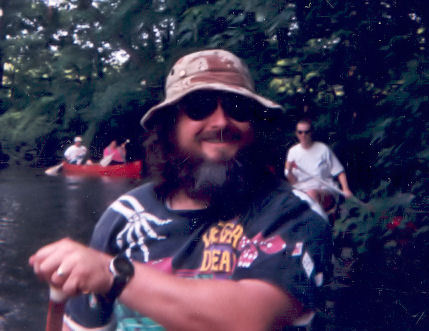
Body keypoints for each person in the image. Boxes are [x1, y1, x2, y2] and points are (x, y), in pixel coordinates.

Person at [29, 49, 332, 330]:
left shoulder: (293, 213)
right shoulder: (124, 216)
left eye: (237, 108)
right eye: (199, 107)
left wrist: (112, 274)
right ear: (169, 125)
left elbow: (251, 318)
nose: (222, 122)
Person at [285, 118, 353, 212]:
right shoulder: (292, 152)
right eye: (300, 132)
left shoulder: (323, 149)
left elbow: (339, 171)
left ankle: (319, 221)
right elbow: (293, 182)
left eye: (306, 132)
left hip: (323, 189)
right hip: (302, 192)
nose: (303, 135)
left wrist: (346, 189)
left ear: (311, 133)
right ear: (296, 134)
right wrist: (289, 171)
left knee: (311, 194)